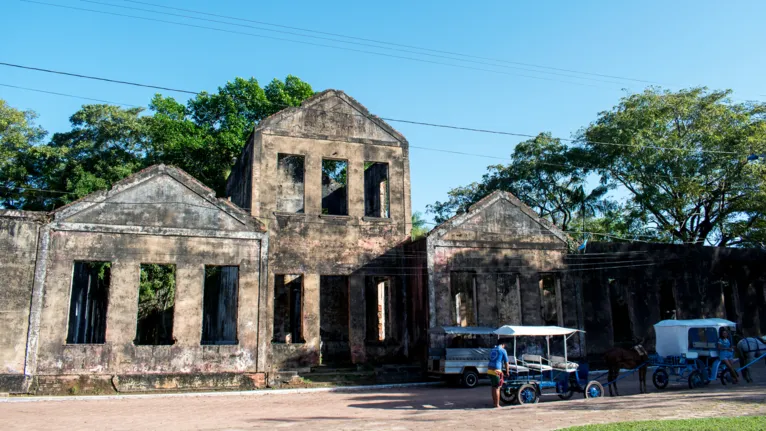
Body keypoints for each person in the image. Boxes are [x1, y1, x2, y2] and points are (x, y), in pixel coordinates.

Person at [488, 341, 510, 408]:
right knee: (497, 388)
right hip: (496, 371)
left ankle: (494, 403)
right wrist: (507, 372)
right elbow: (506, 363)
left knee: (493, 387)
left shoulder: (492, 349)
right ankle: (497, 405)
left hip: (489, 370)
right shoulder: (503, 350)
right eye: (504, 345)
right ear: (503, 344)